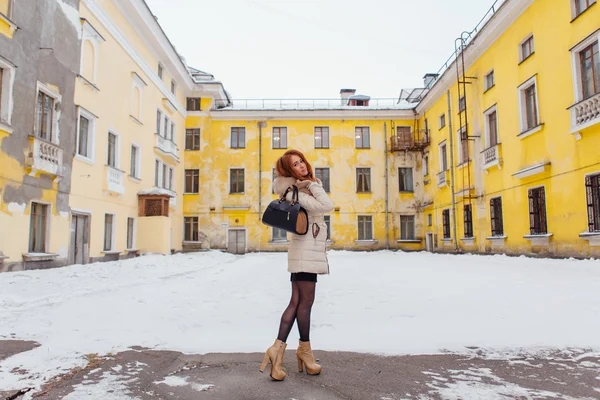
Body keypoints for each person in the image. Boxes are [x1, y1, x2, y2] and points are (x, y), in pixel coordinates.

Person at [259, 149, 334, 381]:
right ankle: (293, 350)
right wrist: (312, 184)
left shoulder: (299, 188)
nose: (302, 166)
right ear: (289, 171)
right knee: (303, 302)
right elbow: (326, 205)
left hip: (306, 248)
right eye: (295, 164)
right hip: (305, 250)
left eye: (302, 161)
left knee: (300, 301)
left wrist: (309, 183)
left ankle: (287, 351)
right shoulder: (297, 191)